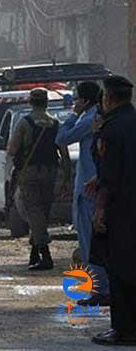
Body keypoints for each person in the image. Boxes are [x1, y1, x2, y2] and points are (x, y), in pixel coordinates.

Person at [90, 76, 136, 346]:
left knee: (119, 268)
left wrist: (99, 210)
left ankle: (123, 328)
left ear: (109, 98)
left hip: (121, 208)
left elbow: (109, 177)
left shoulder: (111, 129)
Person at [55, 82, 109, 306]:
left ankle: (101, 290)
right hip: (89, 185)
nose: (74, 102)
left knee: (90, 241)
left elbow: (62, 138)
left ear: (85, 101)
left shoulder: (88, 119)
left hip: (90, 188)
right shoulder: (94, 117)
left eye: (76, 99)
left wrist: (71, 116)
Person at [7, 88, 71, 270]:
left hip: (29, 173)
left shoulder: (24, 123)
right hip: (50, 172)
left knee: (34, 211)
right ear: (46, 102)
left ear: (30, 102)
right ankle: (34, 254)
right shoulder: (56, 123)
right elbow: (64, 154)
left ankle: (46, 254)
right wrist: (66, 179)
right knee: (42, 212)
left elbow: (12, 150)